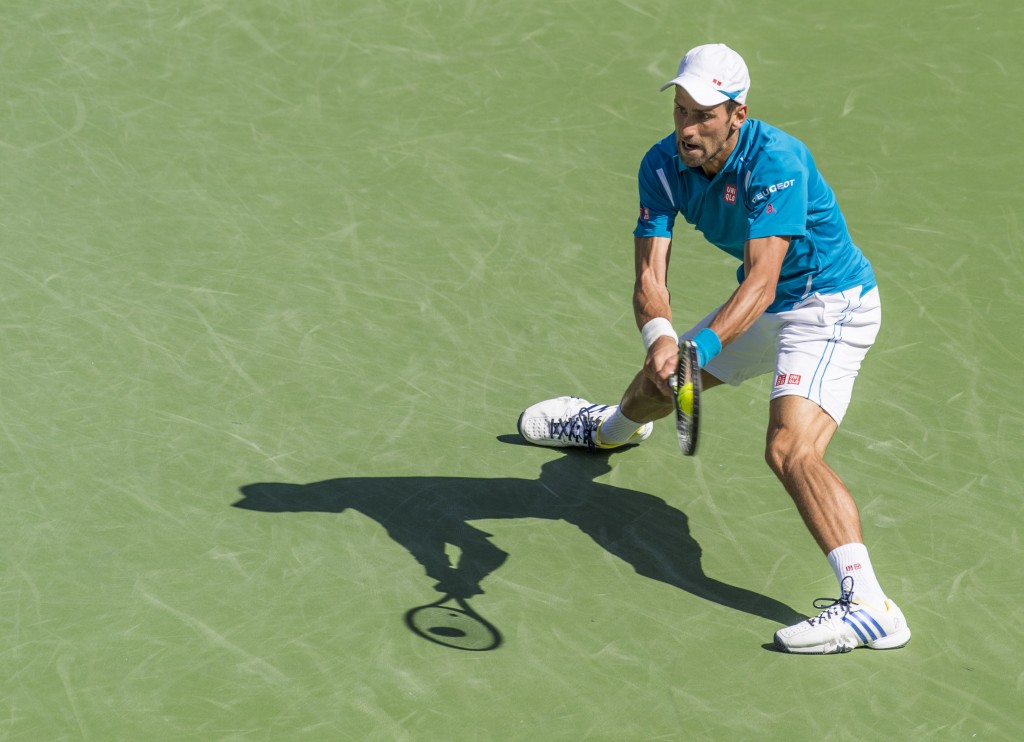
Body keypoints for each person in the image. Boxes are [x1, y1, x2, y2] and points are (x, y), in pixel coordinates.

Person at [517, 43, 911, 654]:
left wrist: (695, 347)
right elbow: (650, 279)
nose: (687, 128)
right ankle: (610, 431)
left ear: (737, 114)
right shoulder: (661, 165)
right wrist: (663, 340)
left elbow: (761, 282)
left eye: (703, 114)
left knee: (789, 448)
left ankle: (870, 606)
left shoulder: (777, 160)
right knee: (655, 384)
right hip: (762, 309)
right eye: (680, 110)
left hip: (828, 308)